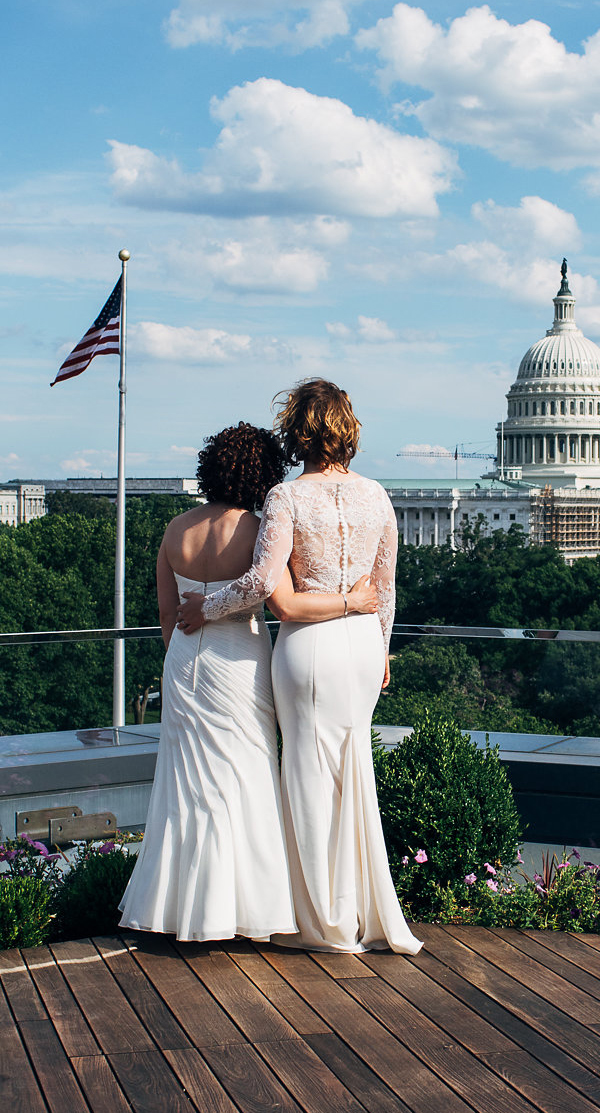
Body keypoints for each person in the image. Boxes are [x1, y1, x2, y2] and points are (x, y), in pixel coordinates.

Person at [180, 380, 422, 955]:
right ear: (347, 428)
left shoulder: (287, 498)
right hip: (362, 645)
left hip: (307, 647)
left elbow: (266, 586)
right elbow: (384, 590)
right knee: (354, 772)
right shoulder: (379, 497)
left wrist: (206, 608)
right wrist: (382, 647)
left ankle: (321, 921)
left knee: (308, 779)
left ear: (299, 432)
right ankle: (362, 912)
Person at [117, 423, 376, 943]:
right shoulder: (260, 529)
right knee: (246, 780)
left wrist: (190, 653)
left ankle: (180, 910)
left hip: (187, 662)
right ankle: (241, 912)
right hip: (242, 659)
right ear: (262, 472)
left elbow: (169, 619)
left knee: (184, 786)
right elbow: (280, 597)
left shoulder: (174, 530)